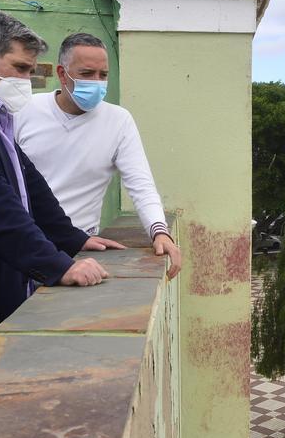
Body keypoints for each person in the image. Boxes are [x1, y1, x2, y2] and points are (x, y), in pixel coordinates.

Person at [0, 11, 119, 334]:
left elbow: (27, 181)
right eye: (20, 68)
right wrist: (57, 265)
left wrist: (73, 238)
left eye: (30, 72)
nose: (26, 81)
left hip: (12, 272)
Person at [15, 33, 183, 279]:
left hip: (80, 246)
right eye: (86, 74)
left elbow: (141, 184)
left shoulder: (118, 121)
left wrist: (159, 232)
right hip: (25, 243)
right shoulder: (23, 110)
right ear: (62, 74)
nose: (96, 82)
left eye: (103, 75)